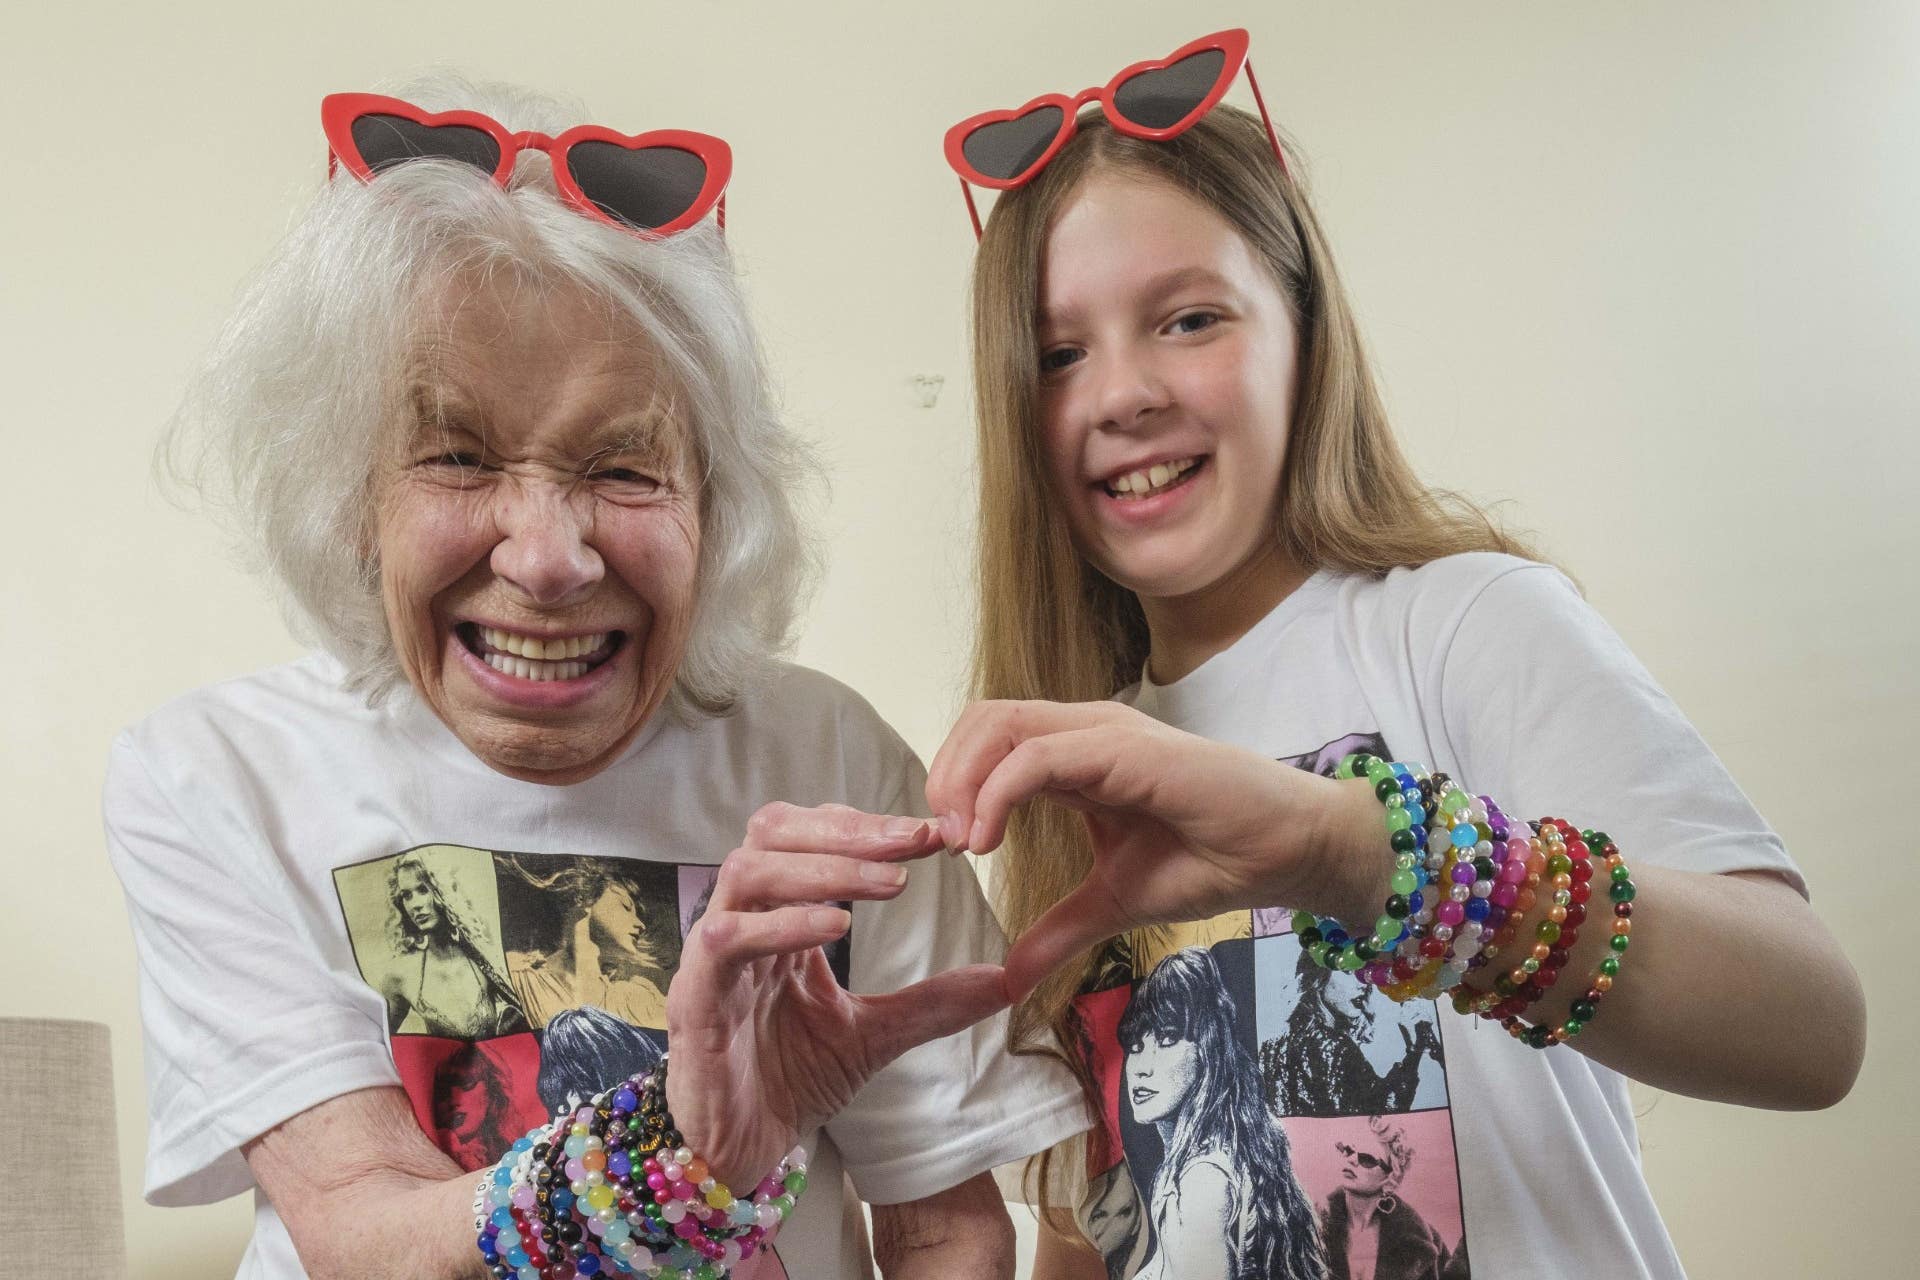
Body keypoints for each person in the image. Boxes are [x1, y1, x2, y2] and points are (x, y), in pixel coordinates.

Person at [922, 27, 1865, 1279]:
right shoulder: (1059, 793)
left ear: (1305, 333)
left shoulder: (1463, 627)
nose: (1122, 392)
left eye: (1189, 318)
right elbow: (1101, 1234)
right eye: (1058, 354)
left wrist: (1353, 853)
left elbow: (1810, 1023)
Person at [106, 73, 1082, 1279]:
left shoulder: (830, 762)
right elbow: (370, 1237)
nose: (549, 557)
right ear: (350, 489)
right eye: (458, 455)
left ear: (718, 506)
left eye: (624, 468)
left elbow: (945, 1232)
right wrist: (685, 1144)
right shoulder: (216, 775)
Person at [1114, 948, 1325, 1280]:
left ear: (1206, 1050)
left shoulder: (1202, 1180)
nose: (1141, 1068)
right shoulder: (1194, 1165)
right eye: (1136, 1047)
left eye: (1168, 1039)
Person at [380, 851, 528, 1038]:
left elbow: (522, 1012)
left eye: (423, 890)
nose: (415, 904)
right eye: (406, 895)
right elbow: (378, 1040)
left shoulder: (479, 954)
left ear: (442, 891)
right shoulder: (401, 974)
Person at [1319, 1118, 1464, 1280]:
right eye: (1349, 1150)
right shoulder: (1311, 1225)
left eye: (1366, 1159)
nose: (1351, 1160)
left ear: (1390, 1177)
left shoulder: (1423, 1241)